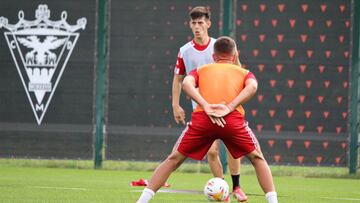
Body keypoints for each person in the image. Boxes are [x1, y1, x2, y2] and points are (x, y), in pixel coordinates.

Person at [137, 36, 278, 203]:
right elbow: (253, 86)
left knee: (173, 159)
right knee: (257, 158)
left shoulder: (201, 69)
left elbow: (186, 84)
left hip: (203, 120)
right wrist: (230, 107)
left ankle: (141, 201)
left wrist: (205, 105)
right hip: (232, 121)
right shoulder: (244, 72)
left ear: (213, 56)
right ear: (234, 56)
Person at [172, 6, 247, 201]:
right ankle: (221, 189)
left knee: (232, 147)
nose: (197, 27)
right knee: (212, 151)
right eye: (193, 23)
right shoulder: (184, 51)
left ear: (208, 24)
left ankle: (237, 187)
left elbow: (238, 71)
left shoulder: (219, 46)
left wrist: (237, 60)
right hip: (202, 109)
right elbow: (179, 79)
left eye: (200, 22)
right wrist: (175, 104)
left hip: (225, 105)